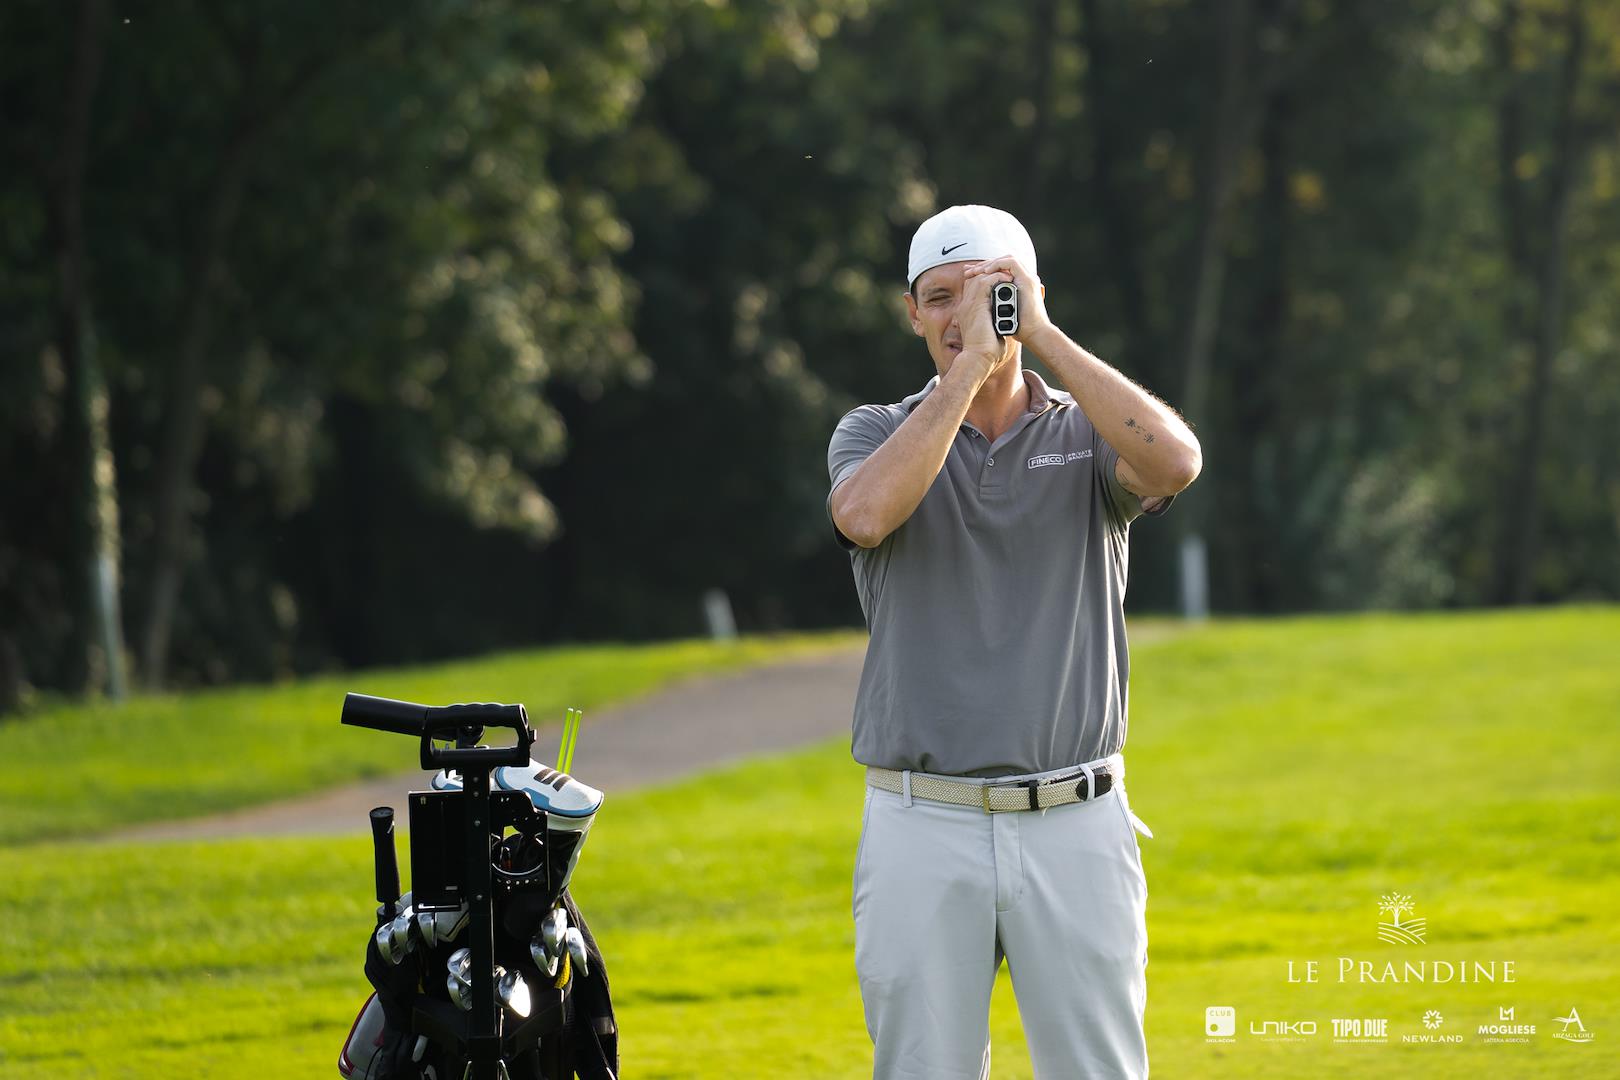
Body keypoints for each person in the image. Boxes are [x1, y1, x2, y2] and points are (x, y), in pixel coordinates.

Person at [826, 204, 1201, 1079]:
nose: (961, 313)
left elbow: (1176, 462)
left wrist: (1042, 335)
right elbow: (865, 515)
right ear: (912, 314)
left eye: (986, 291)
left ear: (1028, 295)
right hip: (921, 821)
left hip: (1077, 818)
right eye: (939, 297)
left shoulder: (1088, 430)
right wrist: (969, 368)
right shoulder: (873, 431)